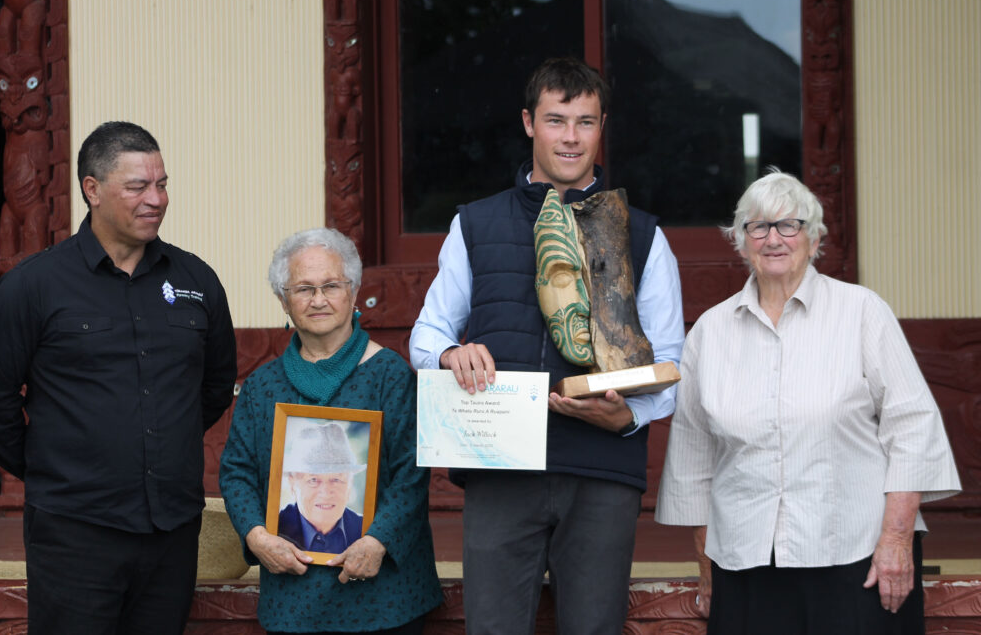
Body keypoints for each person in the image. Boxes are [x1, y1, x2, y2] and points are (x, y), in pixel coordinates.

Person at [410, 56, 686, 635]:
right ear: (529, 123)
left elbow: (670, 362)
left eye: (585, 122)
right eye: (556, 120)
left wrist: (629, 417)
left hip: (602, 472)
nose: (570, 137)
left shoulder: (642, 233)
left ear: (602, 126)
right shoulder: (476, 224)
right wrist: (448, 355)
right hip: (500, 468)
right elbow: (426, 334)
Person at [655, 170, 961, 634]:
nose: (773, 238)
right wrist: (706, 566)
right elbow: (693, 459)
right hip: (746, 561)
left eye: (789, 225)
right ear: (740, 241)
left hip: (858, 555)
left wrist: (896, 540)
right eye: (758, 227)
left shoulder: (862, 312)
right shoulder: (709, 334)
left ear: (814, 239)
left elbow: (913, 427)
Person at [0, 121, 238, 634]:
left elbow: (216, 385)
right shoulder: (34, 285)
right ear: (92, 190)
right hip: (74, 531)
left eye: (162, 183)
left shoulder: (195, 280)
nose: (156, 198)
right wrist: (48, 465)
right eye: (137, 186)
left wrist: (161, 443)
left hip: (171, 529)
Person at [219, 227, 443, 635]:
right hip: (293, 600)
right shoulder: (262, 386)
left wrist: (377, 542)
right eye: (303, 289)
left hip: (386, 598)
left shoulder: (390, 375)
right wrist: (256, 537)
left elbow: (412, 473)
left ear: (354, 292)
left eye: (331, 286)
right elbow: (236, 472)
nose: (318, 299)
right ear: (283, 300)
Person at [277, 422, 366, 552]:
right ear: (292, 484)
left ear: (350, 484)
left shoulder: (368, 534)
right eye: (313, 480)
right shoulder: (273, 530)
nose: (325, 493)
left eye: (336, 479)